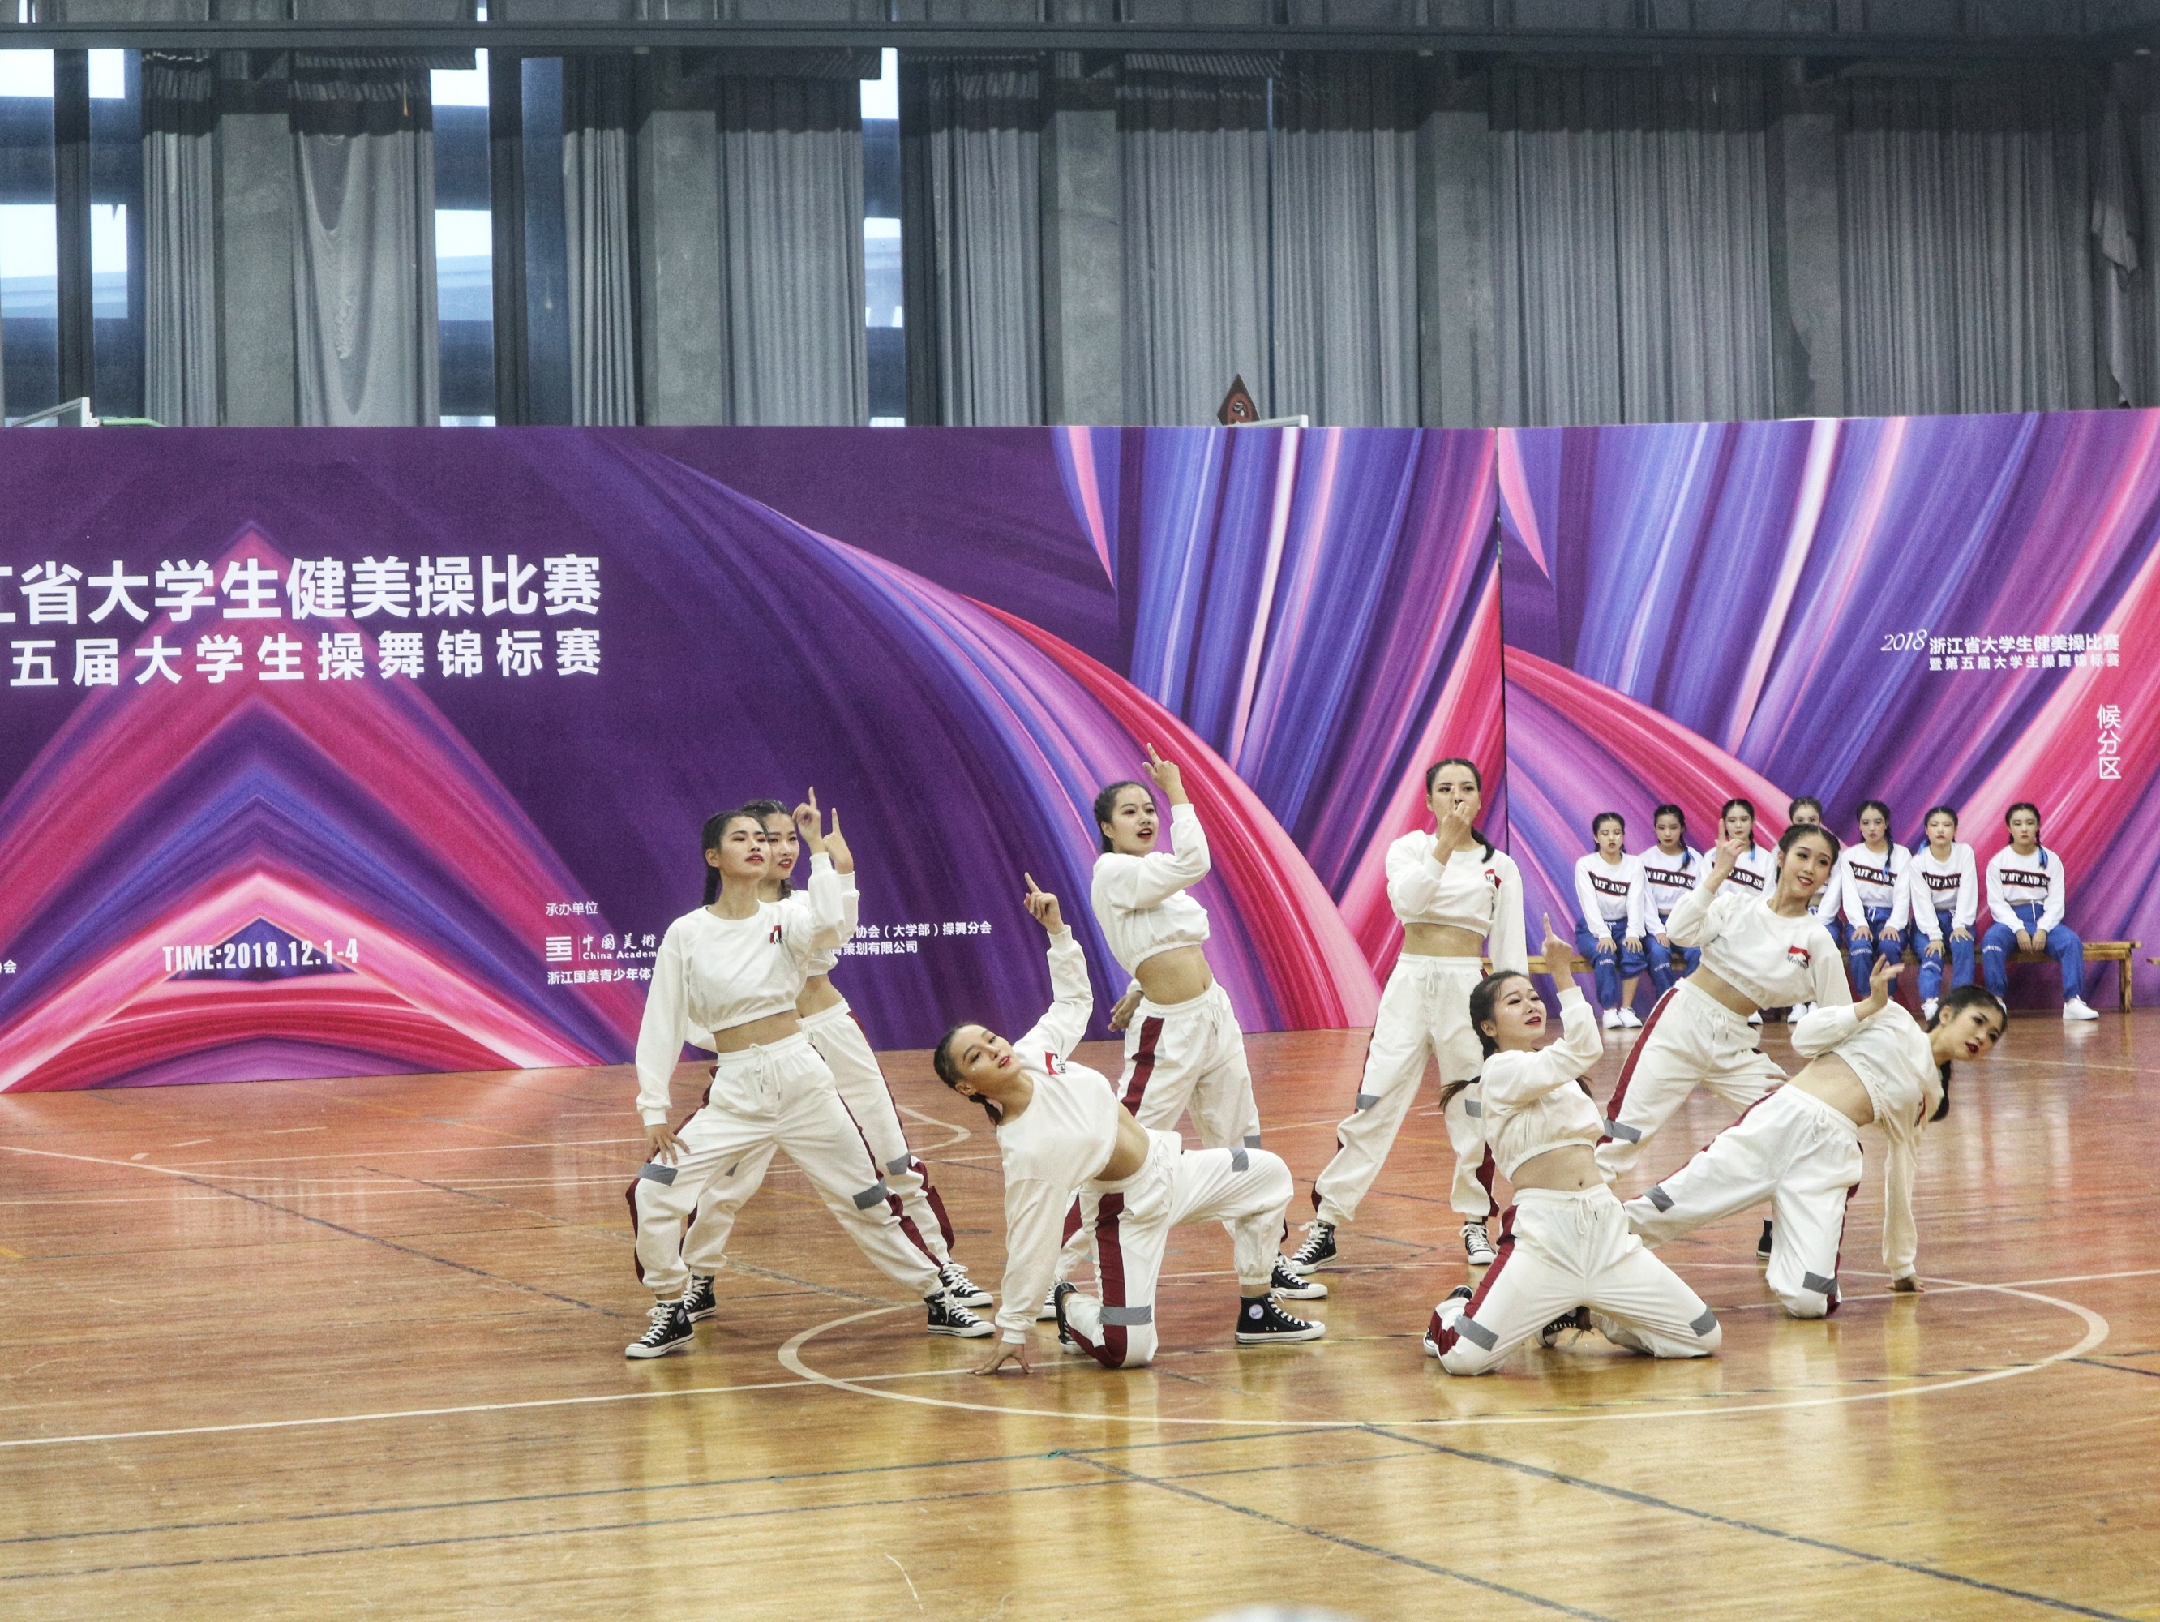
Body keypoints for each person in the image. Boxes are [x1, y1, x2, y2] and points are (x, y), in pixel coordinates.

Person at [624, 799, 991, 1358]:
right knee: (655, 1189)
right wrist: (653, 1109)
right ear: (713, 856)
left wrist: (821, 852)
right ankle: (672, 1305)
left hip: (802, 1078)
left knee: (866, 1197)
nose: (759, 845)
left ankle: (937, 1294)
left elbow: (831, 926)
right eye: (743, 838)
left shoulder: (787, 916)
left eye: (764, 838)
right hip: (736, 1092)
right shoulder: (687, 932)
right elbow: (662, 1022)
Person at [938, 875, 1322, 1373]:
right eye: (976, 1056)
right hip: (1124, 1214)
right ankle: (1070, 1304)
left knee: (1269, 1175)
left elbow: (1072, 1004)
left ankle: (1256, 1309)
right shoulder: (1026, 1147)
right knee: (1128, 1351)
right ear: (967, 1087)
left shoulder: (1035, 1053)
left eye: (991, 1039)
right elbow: (1029, 1240)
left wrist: (1057, 933)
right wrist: (1014, 1328)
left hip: (1173, 1170)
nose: (994, 1050)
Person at [1059, 745, 1318, 1310]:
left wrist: (1136, 987)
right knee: (1122, 1148)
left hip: (1216, 1017)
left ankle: (1265, 1266)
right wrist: (1176, 791)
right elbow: (1195, 861)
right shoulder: (1115, 871)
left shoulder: (1152, 879)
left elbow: (1156, 945)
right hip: (1169, 1034)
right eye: (1130, 811)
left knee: (1243, 1144)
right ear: (1106, 828)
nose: (1145, 818)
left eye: (1149, 808)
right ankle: (1052, 1270)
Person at [1424, 916, 1722, 1374]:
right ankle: (1453, 1311)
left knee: (1702, 1336)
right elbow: (1584, 1047)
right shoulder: (1500, 1073)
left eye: (1533, 996)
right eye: (1513, 1001)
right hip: (1544, 1234)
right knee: (1466, 1359)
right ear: (1488, 1027)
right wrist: (1562, 974)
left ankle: (1591, 1312)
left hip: (1604, 1225)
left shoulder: (1558, 1074)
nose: (1530, 1004)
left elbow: (1575, 1057)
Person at [1627, 964, 2006, 1315]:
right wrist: (1865, 1007)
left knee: (1811, 1300)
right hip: (1783, 1121)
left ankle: (1787, 1239)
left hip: (1830, 1157)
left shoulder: (1931, 1097)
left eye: (1992, 1035)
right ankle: (1597, 1260)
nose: (1982, 1037)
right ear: (1946, 1014)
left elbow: (1902, 1171)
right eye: (1978, 1021)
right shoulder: (1891, 1017)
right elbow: (1805, 1039)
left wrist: (1901, 1265)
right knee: (1659, 1210)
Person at [1292, 757, 1528, 1277]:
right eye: (1445, 789)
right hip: (1409, 984)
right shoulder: (1408, 849)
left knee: (1473, 1107)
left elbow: (1509, 947)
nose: (1456, 797)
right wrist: (1444, 845)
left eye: (1466, 788)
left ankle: (1475, 1221)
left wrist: (1512, 1009)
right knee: (1374, 1100)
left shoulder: (1500, 865)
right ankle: (1327, 1223)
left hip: (1468, 988)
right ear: (1428, 800)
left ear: (1481, 798)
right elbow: (1408, 902)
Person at [1595, 822, 1853, 1201]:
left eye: (1822, 862)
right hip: (1680, 1024)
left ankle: (1772, 1224)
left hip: (1736, 1043)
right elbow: (1679, 932)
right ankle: (1564, 1219)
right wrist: (1718, 874)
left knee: (1800, 1127)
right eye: (1802, 855)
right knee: (1622, 1136)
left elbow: (1840, 1018)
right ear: (1781, 858)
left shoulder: (1817, 940)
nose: (1810, 868)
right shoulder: (1736, 905)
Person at [1982, 803, 2099, 1021]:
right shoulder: (1998, 862)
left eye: (2029, 823)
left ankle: (2072, 1001)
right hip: (2009, 920)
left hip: (2043, 917)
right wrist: (2018, 929)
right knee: (1991, 941)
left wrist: (2043, 928)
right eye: (2017, 823)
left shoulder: (2050, 859)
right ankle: (1996, 1001)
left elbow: (2056, 901)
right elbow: (1997, 903)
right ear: (2009, 827)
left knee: (2071, 942)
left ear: (2037, 826)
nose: (2024, 828)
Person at [1573, 811, 1650, 1031]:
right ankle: (1608, 1010)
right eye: (1605, 833)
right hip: (1593, 927)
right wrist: (1603, 934)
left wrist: (1633, 932)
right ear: (1596, 837)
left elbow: (1636, 900)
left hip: (1624, 924)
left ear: (1623, 835)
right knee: (1605, 954)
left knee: (1633, 951)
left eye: (1616, 833)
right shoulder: (1585, 864)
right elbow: (1588, 903)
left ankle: (1626, 1009)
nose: (1611, 838)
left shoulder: (1634, 864)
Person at [1906, 805, 1979, 1019]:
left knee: (1963, 944)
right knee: (1931, 953)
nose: (1940, 830)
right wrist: (1935, 936)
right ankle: (1930, 1003)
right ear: (1926, 830)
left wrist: (1960, 925)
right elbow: (1922, 903)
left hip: (1958, 916)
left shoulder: (1964, 853)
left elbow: (1968, 891)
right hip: (1928, 921)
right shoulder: (1918, 862)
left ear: (1954, 830)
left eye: (1947, 825)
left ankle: (1959, 1002)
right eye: (1934, 825)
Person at [1837, 800, 1910, 999]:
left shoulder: (1902, 855)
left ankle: (1887, 999)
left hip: (1891, 916)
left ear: (1886, 824)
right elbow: (1850, 895)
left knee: (1889, 946)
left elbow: (1903, 895)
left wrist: (1893, 925)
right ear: (1859, 826)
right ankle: (1867, 1000)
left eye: (1877, 822)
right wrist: (1860, 924)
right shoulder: (1850, 856)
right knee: (1860, 947)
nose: (1872, 828)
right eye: (1866, 823)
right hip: (1860, 916)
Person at [1639, 804, 1702, 996]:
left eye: (1673, 827)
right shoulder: (1645, 860)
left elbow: (1702, 897)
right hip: (1655, 922)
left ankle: (1690, 1002)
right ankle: (1666, 1003)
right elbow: (1642, 901)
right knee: (1658, 952)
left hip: (1686, 921)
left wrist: (1688, 923)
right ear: (1655, 828)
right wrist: (1658, 929)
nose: (1667, 833)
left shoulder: (1695, 859)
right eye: (1662, 827)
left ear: (1682, 828)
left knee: (1698, 952)